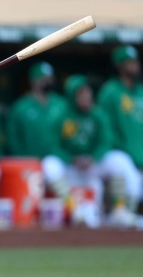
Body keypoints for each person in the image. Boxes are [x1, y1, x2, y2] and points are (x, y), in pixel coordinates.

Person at [42, 74, 136, 228]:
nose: (85, 96)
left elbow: (107, 140)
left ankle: (119, 210)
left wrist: (94, 157)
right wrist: (70, 159)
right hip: (71, 165)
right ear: (72, 96)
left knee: (120, 160)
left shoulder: (98, 114)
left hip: (93, 164)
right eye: (80, 93)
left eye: (87, 92)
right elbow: (52, 145)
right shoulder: (62, 115)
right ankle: (74, 209)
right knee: (49, 164)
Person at [96, 45, 143, 218]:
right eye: (129, 62)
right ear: (119, 65)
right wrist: (118, 146)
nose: (135, 65)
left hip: (141, 157)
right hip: (118, 155)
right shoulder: (110, 91)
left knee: (133, 203)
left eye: (136, 61)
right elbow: (103, 125)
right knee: (123, 194)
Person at [7, 61, 67, 159]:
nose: (47, 81)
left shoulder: (62, 104)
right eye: (43, 78)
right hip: (30, 161)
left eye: (50, 78)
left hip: (58, 161)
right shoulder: (20, 107)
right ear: (33, 80)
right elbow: (13, 138)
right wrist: (22, 157)